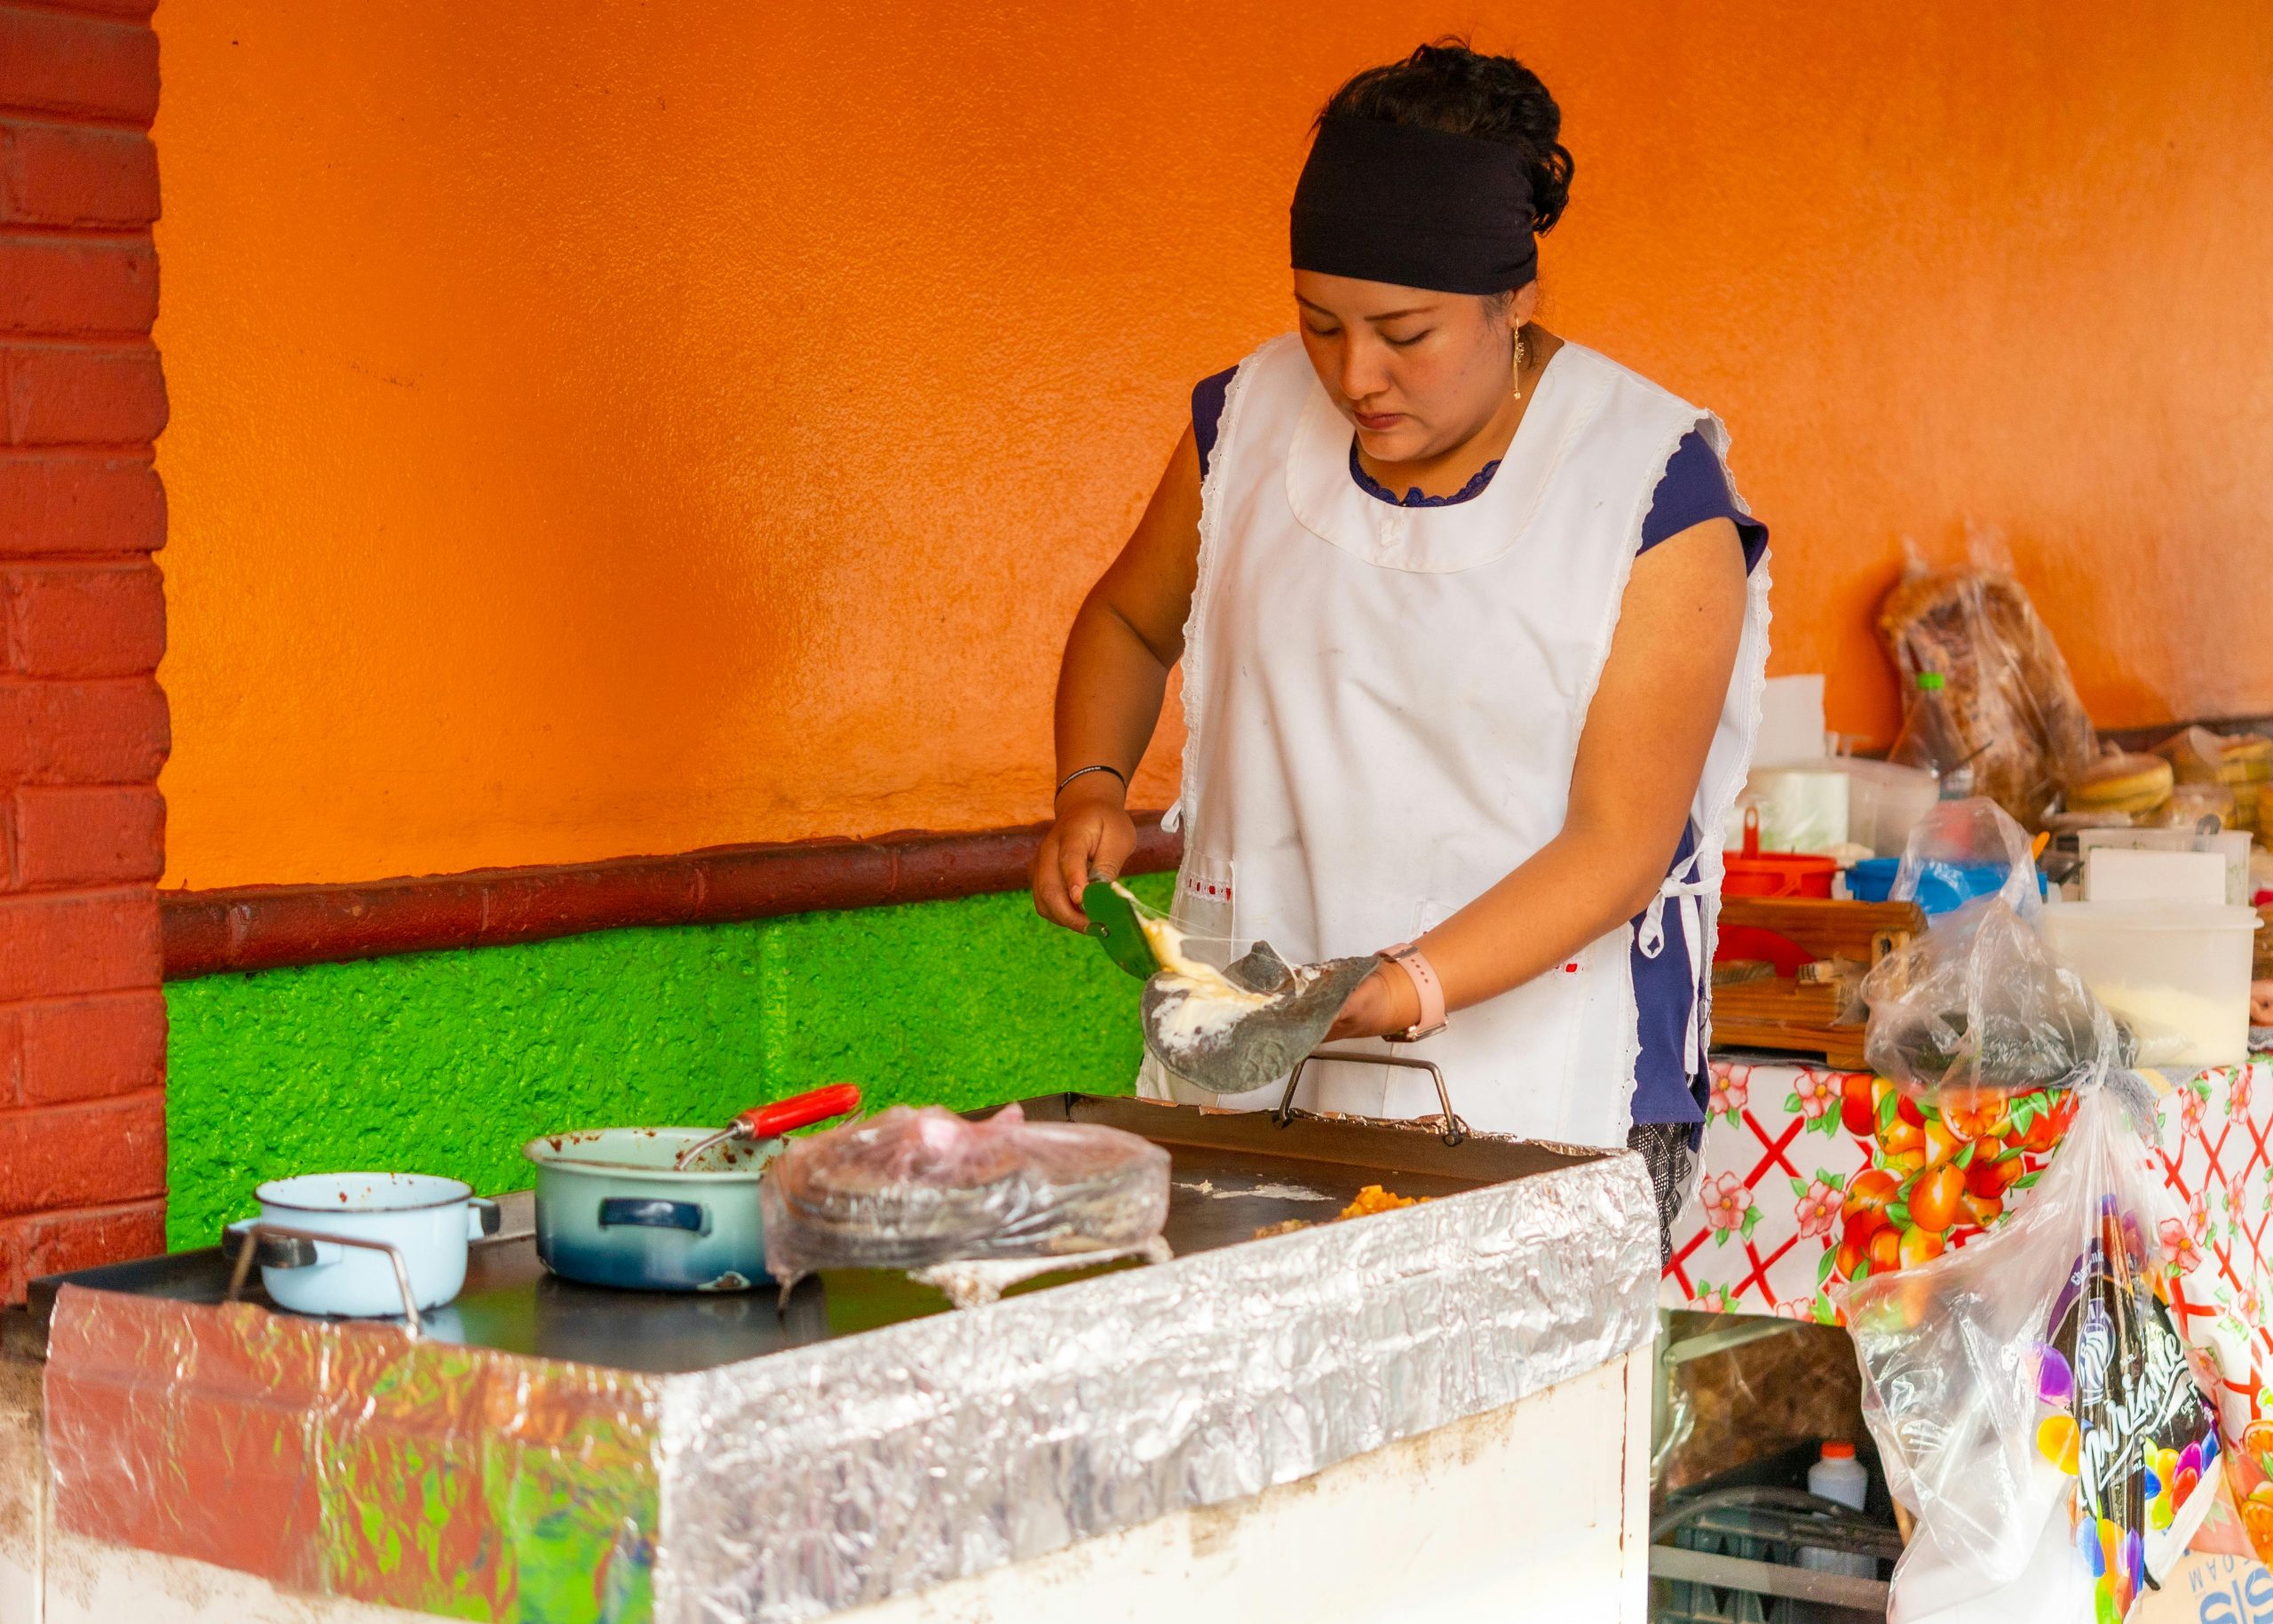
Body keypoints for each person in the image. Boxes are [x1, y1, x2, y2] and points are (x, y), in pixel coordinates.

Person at [1031, 42, 1770, 1260]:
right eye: (1318, 324)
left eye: (1404, 333)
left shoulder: (1651, 486)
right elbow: (1125, 621)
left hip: (1549, 1092)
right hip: (1258, 1072)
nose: (1353, 375)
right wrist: (1088, 787)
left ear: (1514, 298)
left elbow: (1619, 844)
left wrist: (1399, 987)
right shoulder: (1247, 422)